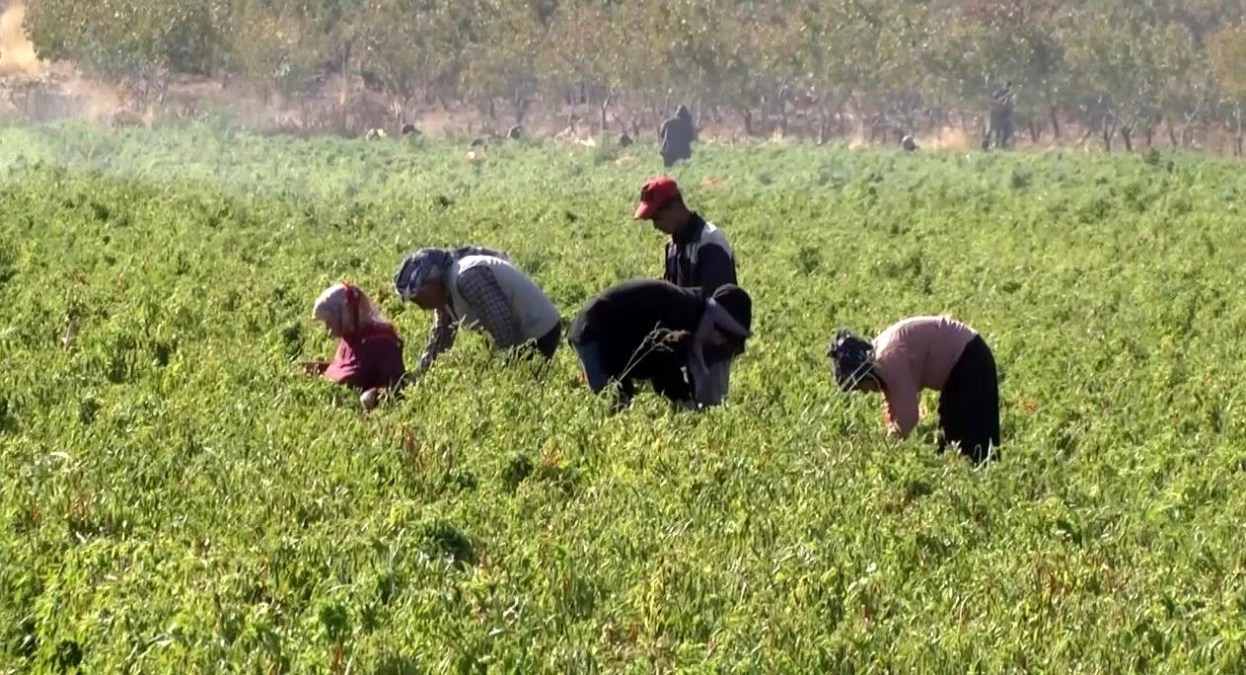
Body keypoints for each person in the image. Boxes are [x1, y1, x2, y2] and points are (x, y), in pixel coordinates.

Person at [827, 315, 1001, 463]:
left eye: (859, 386)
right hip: (967, 357)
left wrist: (886, 451)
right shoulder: (880, 357)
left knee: (963, 442)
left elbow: (907, 417)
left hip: (969, 360)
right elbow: (894, 406)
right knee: (957, 442)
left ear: (863, 374)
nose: (864, 391)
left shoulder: (888, 359)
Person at [633, 175, 739, 405]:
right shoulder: (673, 246)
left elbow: (715, 304)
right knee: (686, 410)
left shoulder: (709, 243)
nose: (655, 225)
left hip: (711, 346)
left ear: (674, 207)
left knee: (709, 411)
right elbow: (669, 294)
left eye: (656, 217)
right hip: (686, 342)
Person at [568, 279, 752, 410]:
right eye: (726, 337)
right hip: (594, 332)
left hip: (613, 337)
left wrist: (681, 396)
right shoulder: (685, 313)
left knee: (621, 397)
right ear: (718, 324)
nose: (721, 342)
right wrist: (683, 399)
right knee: (613, 401)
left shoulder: (694, 312)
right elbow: (662, 358)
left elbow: (659, 360)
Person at [393, 246, 562, 374]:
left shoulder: (466, 278)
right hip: (521, 335)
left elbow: (504, 327)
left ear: (432, 282)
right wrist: (421, 375)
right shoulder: (444, 295)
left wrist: (506, 369)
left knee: (524, 387)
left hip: (538, 330)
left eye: (418, 299)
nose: (420, 306)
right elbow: (441, 338)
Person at [303, 281, 406, 410]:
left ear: (343, 315)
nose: (327, 328)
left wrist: (374, 395)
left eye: (329, 322)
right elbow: (344, 366)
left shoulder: (382, 341)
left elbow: (397, 384)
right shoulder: (350, 337)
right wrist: (317, 368)